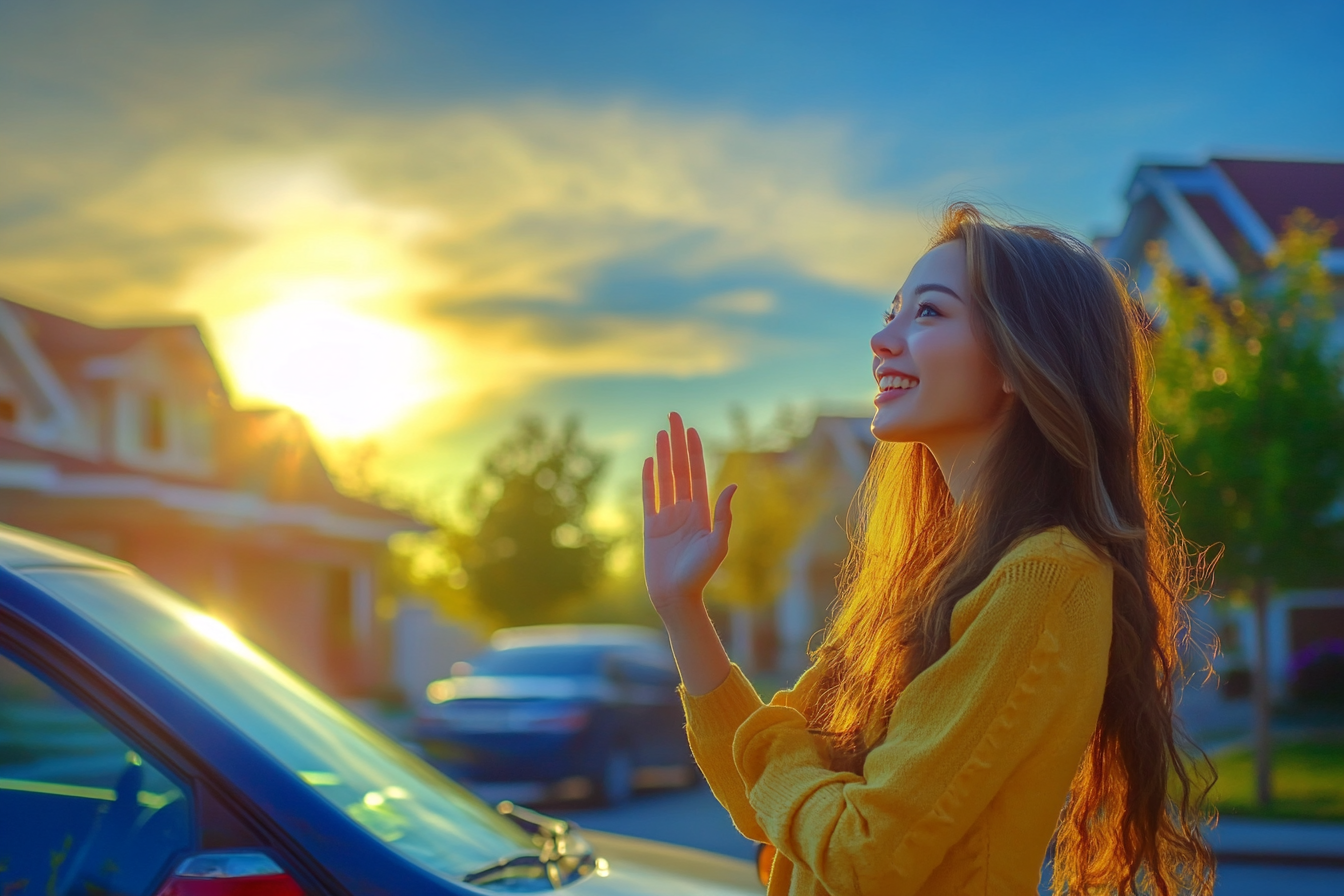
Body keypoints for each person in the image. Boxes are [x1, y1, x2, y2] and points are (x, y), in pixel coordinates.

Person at [641, 203, 1215, 895]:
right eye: (892, 311)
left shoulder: (1044, 579)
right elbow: (756, 798)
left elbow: (864, 855)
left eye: (930, 314)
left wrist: (783, 753)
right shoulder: (931, 578)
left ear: (1020, 360)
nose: (883, 338)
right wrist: (682, 609)